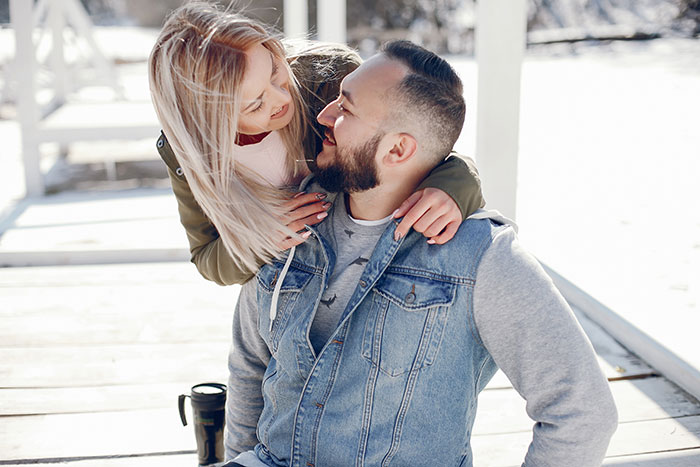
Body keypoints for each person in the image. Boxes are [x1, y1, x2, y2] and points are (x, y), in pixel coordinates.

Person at [223, 40, 618, 467]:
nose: (324, 115)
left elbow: (583, 412)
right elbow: (251, 365)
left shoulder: (480, 258)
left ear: (397, 150)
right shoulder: (291, 216)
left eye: (346, 108)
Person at [148, 2, 485, 284]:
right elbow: (207, 256)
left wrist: (455, 188)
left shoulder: (326, 79)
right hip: (286, 289)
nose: (281, 98)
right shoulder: (186, 151)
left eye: (276, 73)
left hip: (380, 260)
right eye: (255, 104)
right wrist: (258, 240)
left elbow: (417, 140)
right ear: (207, 122)